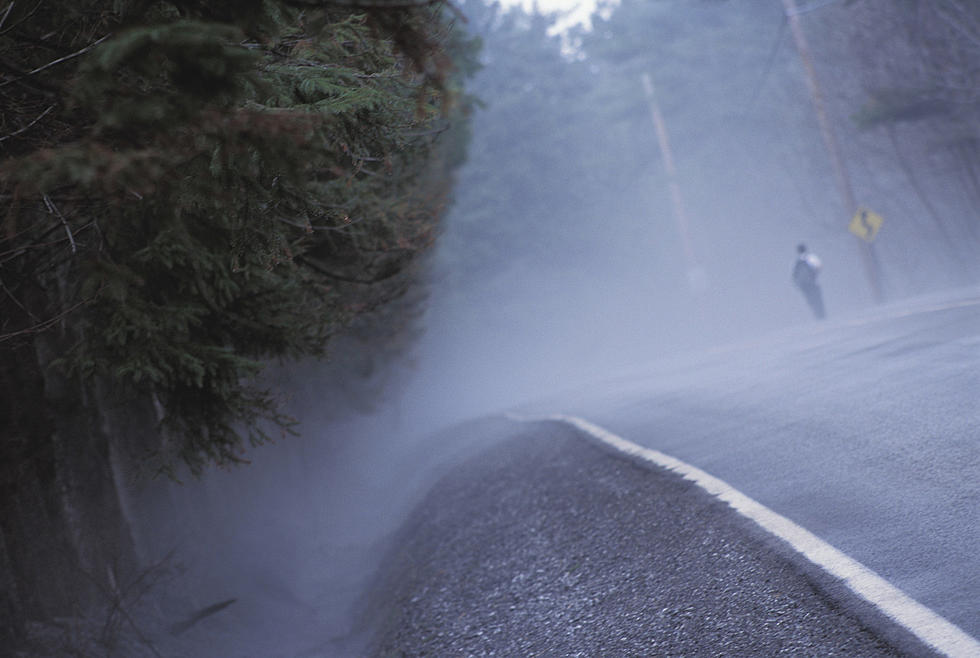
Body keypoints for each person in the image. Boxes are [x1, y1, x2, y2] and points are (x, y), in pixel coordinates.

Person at [792, 243, 825, 319]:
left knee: (811, 300)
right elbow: (819, 267)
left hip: (805, 284)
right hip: (812, 283)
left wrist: (797, 283)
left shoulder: (799, 261)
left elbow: (794, 275)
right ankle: (821, 315)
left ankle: (819, 315)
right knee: (817, 299)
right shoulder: (811, 258)